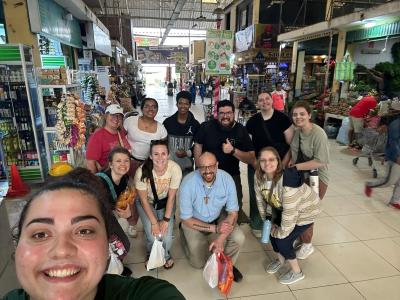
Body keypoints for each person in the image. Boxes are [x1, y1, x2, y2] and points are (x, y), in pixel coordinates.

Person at [3, 168, 185, 300]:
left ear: (107, 243)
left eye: (84, 231)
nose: (61, 250)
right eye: (40, 234)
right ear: (17, 245)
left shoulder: (144, 294)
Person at [254, 147, 321, 285]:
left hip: (306, 212)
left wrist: (280, 232)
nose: (267, 163)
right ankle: (280, 260)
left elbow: (290, 214)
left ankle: (297, 273)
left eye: (271, 159)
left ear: (278, 161)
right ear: (259, 162)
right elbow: (260, 200)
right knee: (272, 234)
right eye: (263, 160)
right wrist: (268, 222)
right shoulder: (259, 176)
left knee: (283, 241)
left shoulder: (288, 182)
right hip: (283, 208)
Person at [179, 152, 245, 282]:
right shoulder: (187, 183)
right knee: (198, 263)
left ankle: (227, 265)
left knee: (239, 237)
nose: (207, 170)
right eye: (203, 167)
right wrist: (215, 229)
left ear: (217, 166)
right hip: (193, 220)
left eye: (211, 166)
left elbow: (233, 213)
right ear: (197, 167)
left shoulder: (227, 179)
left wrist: (221, 238)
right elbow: (186, 218)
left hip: (218, 215)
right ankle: (183, 234)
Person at [194, 100, 256, 224]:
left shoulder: (240, 130)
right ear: (217, 114)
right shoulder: (206, 126)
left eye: (228, 113)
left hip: (232, 175)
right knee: (205, 206)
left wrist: (233, 150)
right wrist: (199, 167)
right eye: (222, 113)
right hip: (208, 173)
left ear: (234, 113)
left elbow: (251, 158)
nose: (225, 116)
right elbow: (198, 145)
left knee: (233, 209)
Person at [245, 92, 294, 237]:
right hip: (258, 164)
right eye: (261, 100)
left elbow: (291, 145)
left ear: (272, 101)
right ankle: (256, 223)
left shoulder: (283, 119)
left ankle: (278, 223)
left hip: (278, 165)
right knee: (256, 194)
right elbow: (249, 146)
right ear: (257, 104)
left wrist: (284, 164)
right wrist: (254, 163)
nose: (264, 102)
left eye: (267, 99)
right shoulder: (252, 122)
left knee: (277, 195)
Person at [289, 100, 329, 259]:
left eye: (302, 114)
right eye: (295, 114)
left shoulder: (318, 134)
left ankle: (307, 245)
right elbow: (293, 154)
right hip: (302, 177)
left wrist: (296, 168)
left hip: (317, 179)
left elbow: (321, 161)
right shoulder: (298, 132)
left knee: (306, 212)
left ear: (309, 115)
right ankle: (301, 239)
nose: (298, 117)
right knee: (296, 210)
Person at [134, 139, 182, 270]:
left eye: (163, 153)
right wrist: (155, 223)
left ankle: (165, 255)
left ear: (168, 154)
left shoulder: (175, 169)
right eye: (156, 154)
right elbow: (143, 200)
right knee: (152, 234)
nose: (160, 157)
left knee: (166, 237)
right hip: (147, 203)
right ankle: (151, 254)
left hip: (166, 202)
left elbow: (172, 197)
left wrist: (166, 220)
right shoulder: (141, 172)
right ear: (150, 156)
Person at [124, 98, 168, 237]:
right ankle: (132, 223)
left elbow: (163, 148)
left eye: (154, 107)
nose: (150, 109)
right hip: (131, 162)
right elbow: (120, 136)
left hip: (150, 164)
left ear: (157, 110)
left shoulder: (160, 128)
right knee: (131, 194)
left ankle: (149, 220)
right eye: (147, 106)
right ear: (141, 108)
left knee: (147, 193)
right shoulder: (130, 121)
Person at [97, 147, 135, 276]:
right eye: (118, 161)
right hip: (95, 219)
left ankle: (116, 266)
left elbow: (118, 202)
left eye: (126, 161)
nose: (123, 165)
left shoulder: (124, 179)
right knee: (116, 246)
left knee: (122, 245)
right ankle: (106, 273)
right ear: (110, 164)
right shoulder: (100, 182)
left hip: (107, 215)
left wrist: (126, 210)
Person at [365, 115, 400, 209]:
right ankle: (369, 185)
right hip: (396, 157)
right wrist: (397, 156)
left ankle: (395, 201)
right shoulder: (396, 124)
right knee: (389, 181)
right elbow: (393, 142)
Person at [163, 91, 200, 177]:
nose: (183, 106)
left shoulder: (195, 125)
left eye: (186, 104)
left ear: (190, 105)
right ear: (177, 104)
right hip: (169, 168)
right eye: (180, 103)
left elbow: (199, 146)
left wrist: (187, 153)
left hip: (187, 168)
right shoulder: (168, 123)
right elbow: (162, 143)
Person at [86, 104, 130, 174]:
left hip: (121, 174)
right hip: (107, 177)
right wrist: (95, 182)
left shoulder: (121, 133)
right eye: (113, 115)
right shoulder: (97, 136)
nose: (116, 118)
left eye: (119, 116)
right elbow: (90, 163)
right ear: (106, 116)